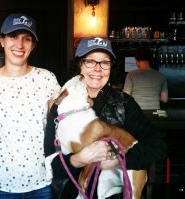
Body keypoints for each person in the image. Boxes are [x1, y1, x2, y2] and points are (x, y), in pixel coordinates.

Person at [44, 37, 167, 198]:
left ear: (111, 67)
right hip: (73, 193)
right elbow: (52, 163)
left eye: (105, 62)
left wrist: (116, 162)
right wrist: (79, 159)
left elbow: (158, 147)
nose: (98, 69)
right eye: (90, 61)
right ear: (79, 64)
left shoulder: (124, 103)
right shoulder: (62, 106)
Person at [0, 13, 60, 198]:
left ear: (33, 45)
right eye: (13, 36)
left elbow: (61, 121)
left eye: (27, 38)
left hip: (41, 181)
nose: (20, 44)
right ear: (2, 40)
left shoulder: (47, 78)